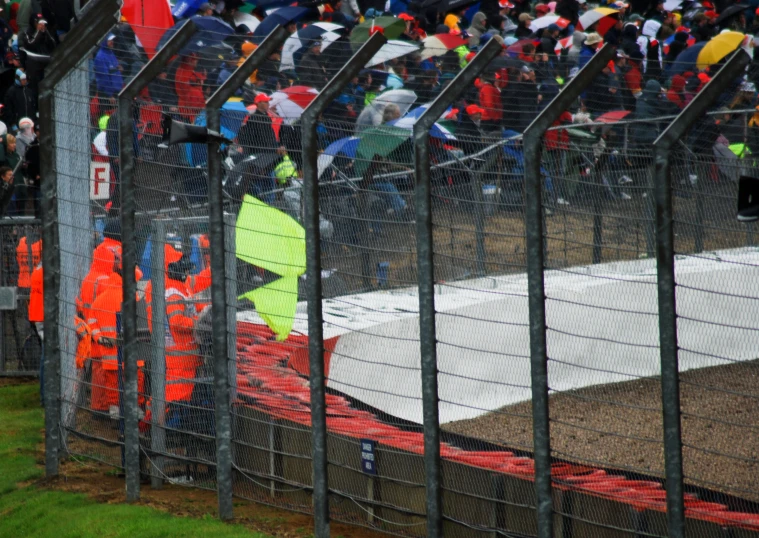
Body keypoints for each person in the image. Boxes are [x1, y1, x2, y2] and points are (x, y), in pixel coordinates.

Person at [28, 258, 43, 404]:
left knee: (46, 356)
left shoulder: (36, 271)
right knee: (47, 357)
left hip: (35, 315)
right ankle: (45, 396)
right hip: (42, 317)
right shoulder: (45, 273)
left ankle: (45, 394)